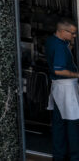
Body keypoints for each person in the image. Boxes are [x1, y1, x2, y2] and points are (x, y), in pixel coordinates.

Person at [48, 18, 79, 160]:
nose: (74, 36)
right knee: (73, 124)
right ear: (62, 31)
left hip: (57, 88)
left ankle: (59, 156)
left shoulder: (52, 41)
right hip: (66, 88)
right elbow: (59, 70)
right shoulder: (60, 47)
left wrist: (70, 43)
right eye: (72, 33)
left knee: (59, 123)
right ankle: (74, 157)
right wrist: (77, 74)